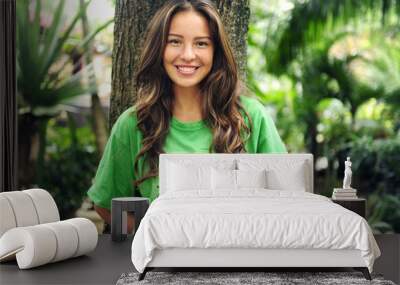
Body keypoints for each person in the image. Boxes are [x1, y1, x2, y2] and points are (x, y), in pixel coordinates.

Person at [87, 0, 286, 232]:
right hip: (163, 264)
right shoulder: (133, 124)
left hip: (240, 260)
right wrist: (154, 238)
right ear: (159, 48)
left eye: (201, 43)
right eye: (175, 41)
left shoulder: (252, 118)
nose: (188, 55)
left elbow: (287, 199)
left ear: (216, 52)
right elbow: (107, 204)